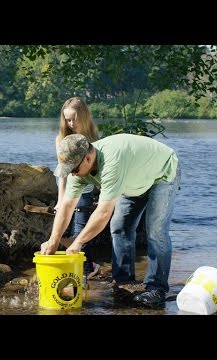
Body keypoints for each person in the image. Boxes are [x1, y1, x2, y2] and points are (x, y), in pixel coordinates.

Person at [40, 133, 181, 308]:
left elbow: (104, 212)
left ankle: (156, 288)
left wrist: (78, 242)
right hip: (132, 181)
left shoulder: (111, 163)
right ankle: (123, 282)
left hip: (162, 173)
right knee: (119, 227)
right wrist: (53, 241)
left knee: (156, 231)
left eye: (74, 170)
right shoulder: (78, 172)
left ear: (88, 158)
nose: (73, 174)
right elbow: (67, 206)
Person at [54, 97, 101, 280]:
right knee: (63, 233)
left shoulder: (93, 136)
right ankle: (88, 265)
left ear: (83, 116)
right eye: (67, 119)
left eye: (74, 118)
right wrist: (60, 200)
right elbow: (63, 173)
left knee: (82, 234)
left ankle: (85, 272)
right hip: (68, 192)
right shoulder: (61, 139)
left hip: (86, 191)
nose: (71, 123)